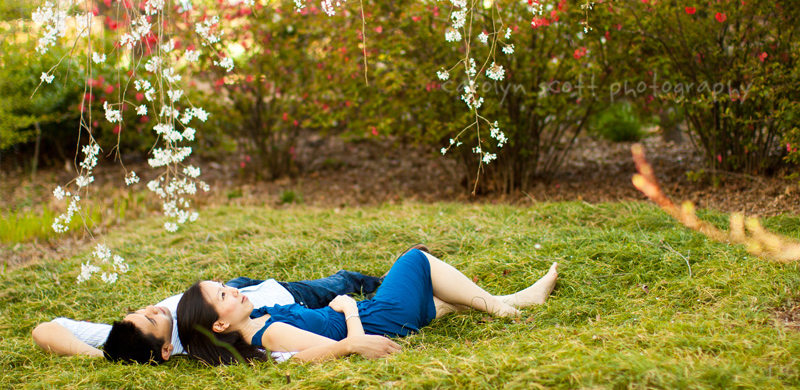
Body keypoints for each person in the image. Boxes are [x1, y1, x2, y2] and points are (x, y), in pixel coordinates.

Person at [177, 249, 559, 365]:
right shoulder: (269, 333)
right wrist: (348, 308)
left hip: (376, 312)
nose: (233, 291)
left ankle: (515, 299)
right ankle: (503, 309)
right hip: (379, 317)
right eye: (222, 296)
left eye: (225, 286)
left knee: (442, 295)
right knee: (416, 259)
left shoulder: (259, 321)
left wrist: (345, 307)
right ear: (220, 326)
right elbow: (349, 347)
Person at [32, 269, 382, 364]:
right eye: (152, 319)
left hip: (237, 291)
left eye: (140, 311)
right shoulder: (194, 344)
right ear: (167, 348)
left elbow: (46, 329)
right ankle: (392, 283)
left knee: (341, 286)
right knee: (343, 284)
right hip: (285, 301)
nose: (151, 309)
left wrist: (105, 355)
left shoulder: (124, 336)